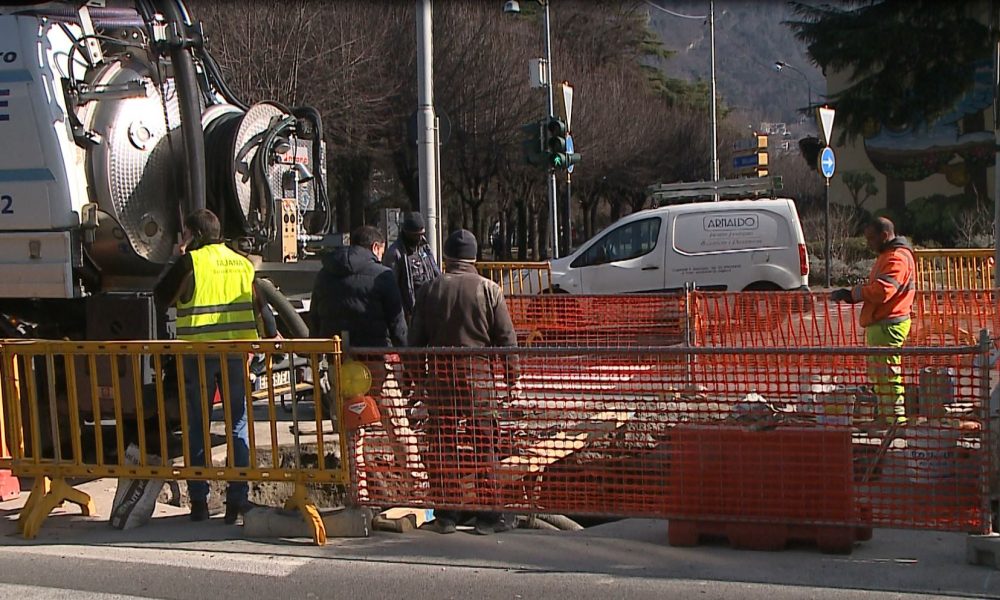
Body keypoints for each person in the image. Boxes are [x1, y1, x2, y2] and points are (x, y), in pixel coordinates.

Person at [155, 208, 276, 524]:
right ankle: (237, 500)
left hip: (198, 355)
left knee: (198, 426)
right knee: (237, 424)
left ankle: (199, 502)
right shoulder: (242, 263)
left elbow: (161, 297)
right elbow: (261, 308)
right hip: (235, 355)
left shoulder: (190, 262)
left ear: (192, 234)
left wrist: (178, 256)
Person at [408, 229, 519, 536]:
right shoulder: (489, 290)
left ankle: (446, 514)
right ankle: (488, 515)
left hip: (441, 382)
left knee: (443, 445)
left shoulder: (430, 290)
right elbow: (506, 340)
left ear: (446, 258)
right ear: (474, 258)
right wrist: (512, 378)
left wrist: (418, 382)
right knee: (486, 444)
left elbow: (413, 344)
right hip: (479, 382)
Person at [310, 226, 423, 488]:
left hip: (340, 362)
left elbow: (314, 319)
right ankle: (417, 484)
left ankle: (357, 488)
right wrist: (411, 367)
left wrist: (318, 357)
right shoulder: (382, 275)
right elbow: (398, 326)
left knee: (352, 428)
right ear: (375, 247)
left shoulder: (325, 275)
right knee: (396, 423)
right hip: (375, 362)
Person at [830, 216, 915, 427]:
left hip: (889, 322)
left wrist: (853, 294)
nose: (869, 244)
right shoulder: (890, 255)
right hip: (883, 322)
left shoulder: (896, 258)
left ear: (884, 236)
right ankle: (886, 419)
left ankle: (895, 422)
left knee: (887, 375)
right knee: (881, 376)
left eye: (871, 239)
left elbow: (883, 291)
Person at [382, 212, 441, 320]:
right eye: (416, 235)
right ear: (407, 233)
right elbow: (391, 287)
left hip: (430, 307)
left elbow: (434, 271)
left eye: (422, 234)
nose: (419, 238)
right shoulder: (395, 253)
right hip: (410, 312)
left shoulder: (424, 248)